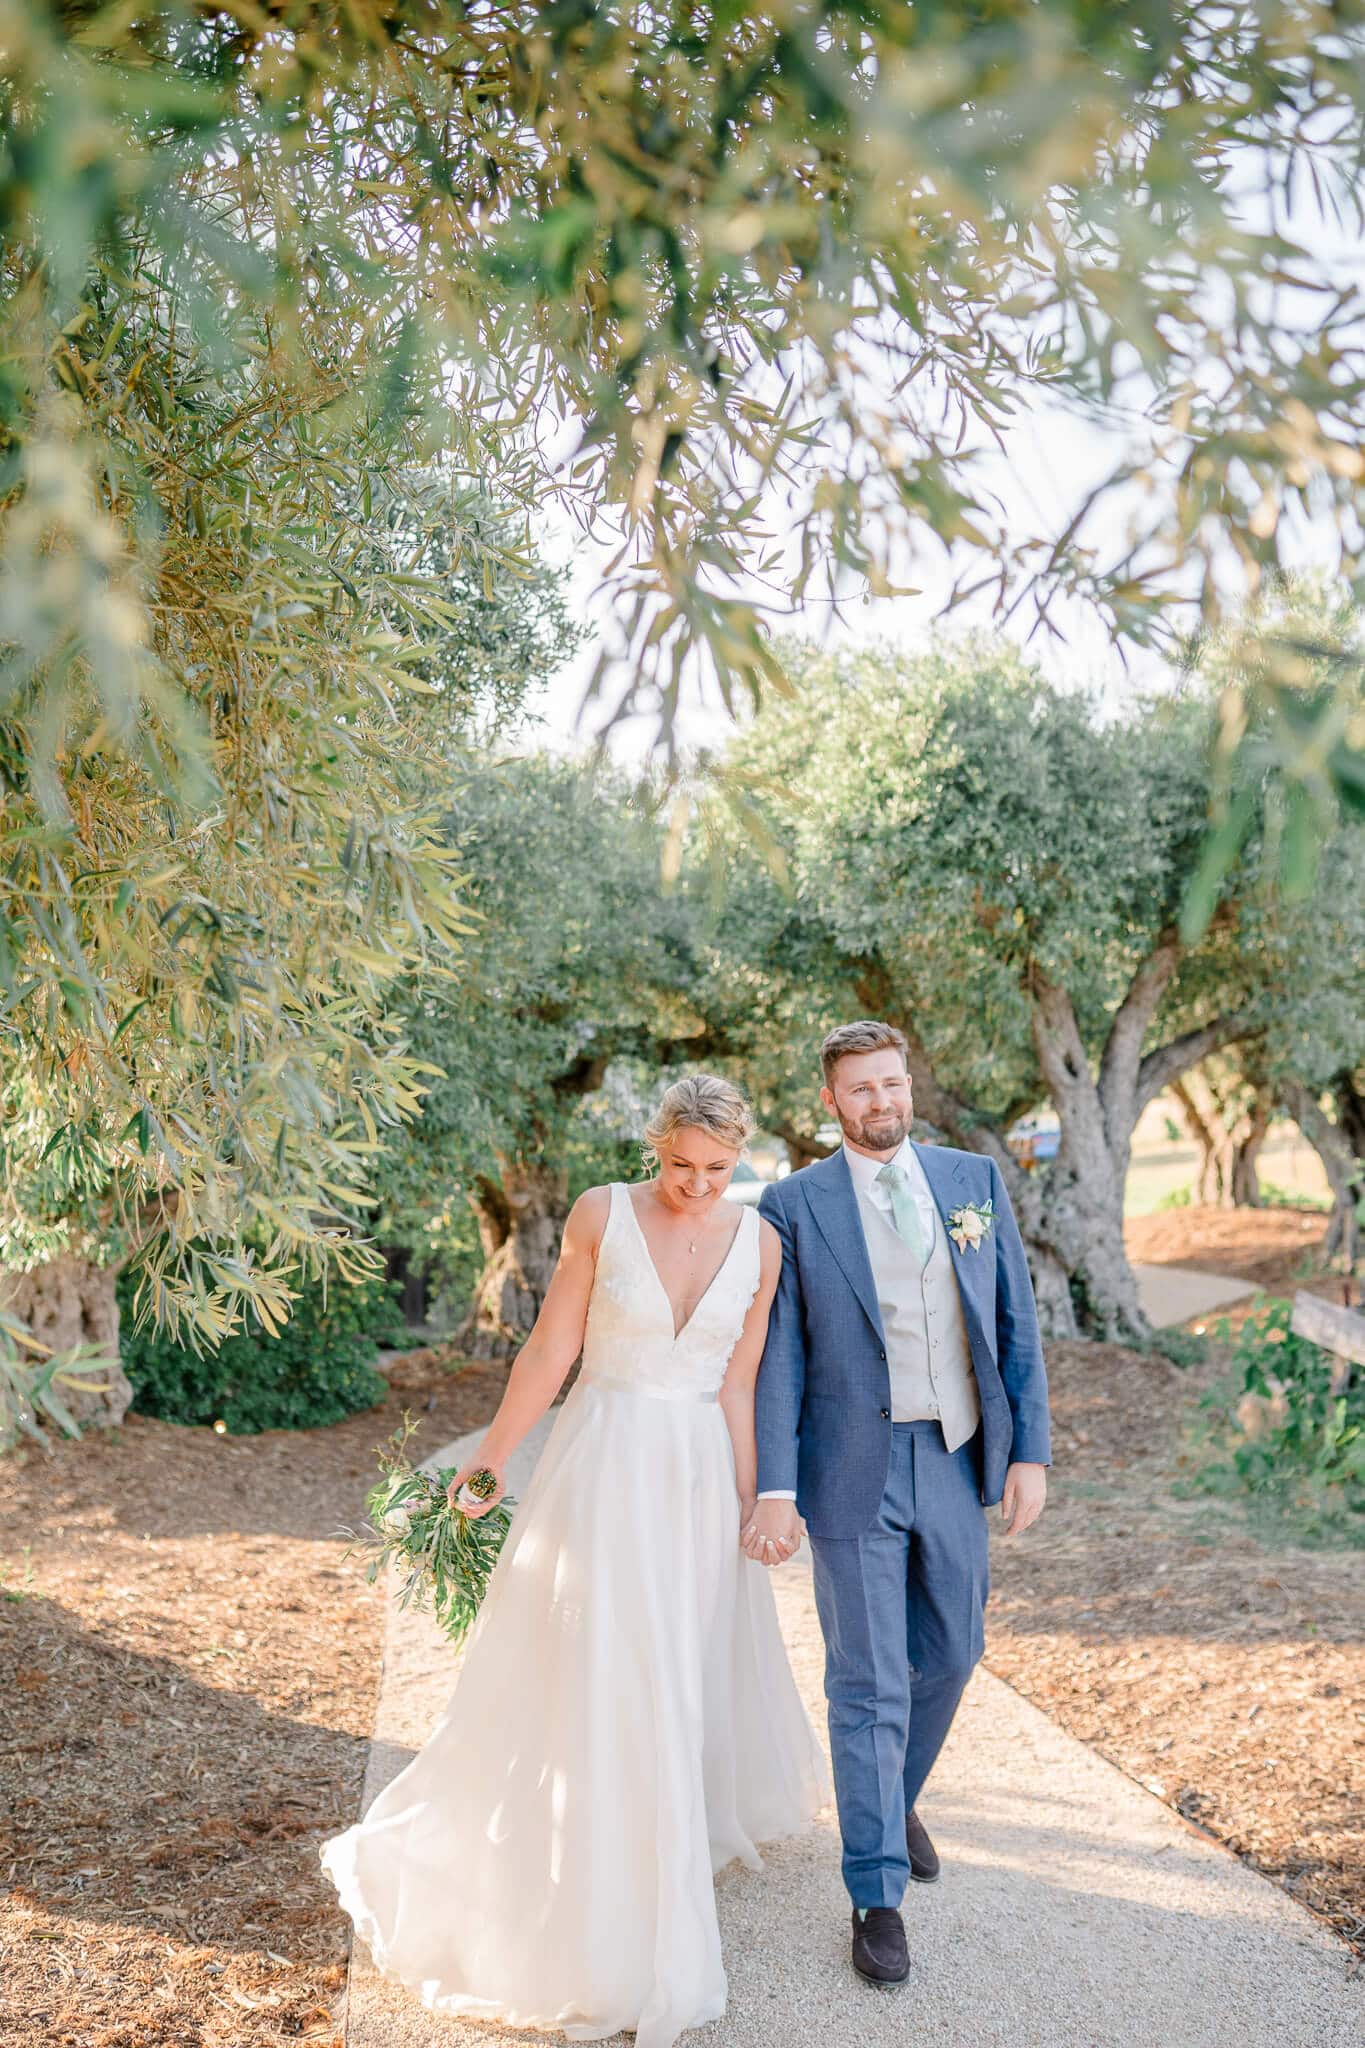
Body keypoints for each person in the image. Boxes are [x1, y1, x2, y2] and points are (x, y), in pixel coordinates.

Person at [319, 1074, 827, 2048]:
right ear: (655, 1145)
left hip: (695, 1472)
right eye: (681, 1163)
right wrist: (494, 1453)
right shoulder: (602, 1213)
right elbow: (554, 1345)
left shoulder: (760, 1243)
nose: (697, 1184)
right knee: (601, 1660)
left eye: (718, 1169)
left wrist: (759, 1497)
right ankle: (594, 1876)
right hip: (603, 1461)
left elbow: (741, 1381)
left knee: (675, 1669)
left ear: (741, 1156)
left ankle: (656, 1858)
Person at [746, 1020, 1051, 1988]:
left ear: (909, 1082)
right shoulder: (793, 1204)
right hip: (849, 1469)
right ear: (831, 1102)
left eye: (892, 1082)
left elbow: (1015, 1319)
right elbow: (781, 1351)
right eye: (861, 1089)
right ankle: (875, 1894)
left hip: (956, 1453)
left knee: (956, 1650)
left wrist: (1029, 1453)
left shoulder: (972, 1180)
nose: (882, 1101)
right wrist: (778, 1484)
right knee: (868, 1678)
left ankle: (892, 1794)